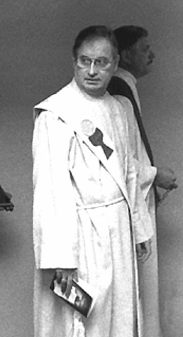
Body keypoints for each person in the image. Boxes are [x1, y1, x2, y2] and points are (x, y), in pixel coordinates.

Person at [32, 25, 154, 337]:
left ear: (115, 64)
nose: (91, 70)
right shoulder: (56, 114)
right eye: (84, 61)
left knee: (122, 317)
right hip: (81, 235)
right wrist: (62, 257)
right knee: (85, 322)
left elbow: (128, 171)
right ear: (74, 61)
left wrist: (139, 229)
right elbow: (50, 190)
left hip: (119, 230)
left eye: (101, 62)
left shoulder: (120, 108)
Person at [107, 25, 178, 337]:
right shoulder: (118, 89)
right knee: (135, 286)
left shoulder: (127, 87)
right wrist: (153, 175)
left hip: (140, 193)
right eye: (145, 48)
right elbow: (118, 155)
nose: (152, 54)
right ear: (125, 55)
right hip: (126, 203)